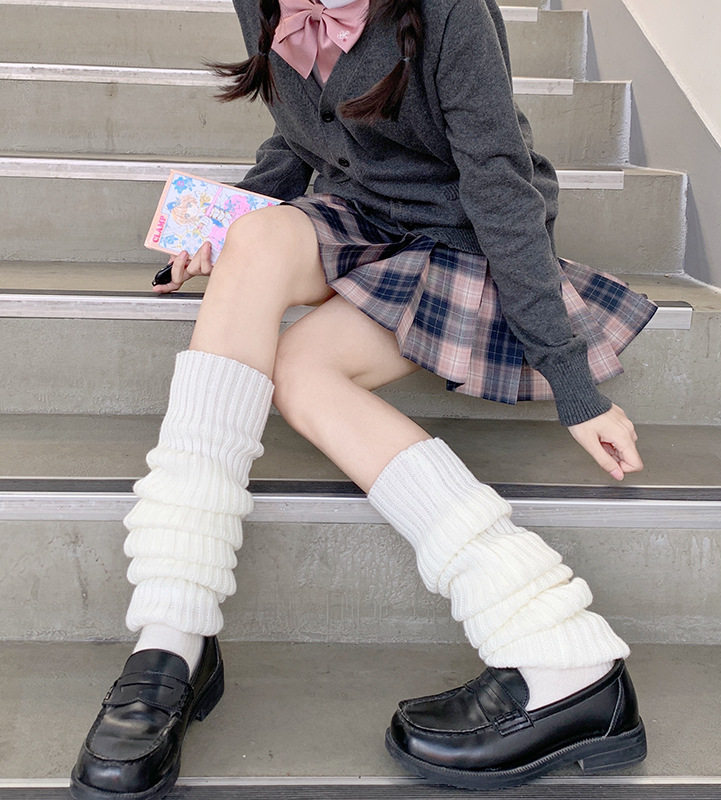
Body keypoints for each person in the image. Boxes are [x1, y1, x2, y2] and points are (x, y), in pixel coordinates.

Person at [70, 0, 655, 796]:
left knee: (301, 374)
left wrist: (573, 383)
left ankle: (557, 644)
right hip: (360, 213)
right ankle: (171, 634)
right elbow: (299, 133)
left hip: (458, 233)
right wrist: (226, 219)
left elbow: (499, 185)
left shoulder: (449, 11)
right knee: (255, 240)